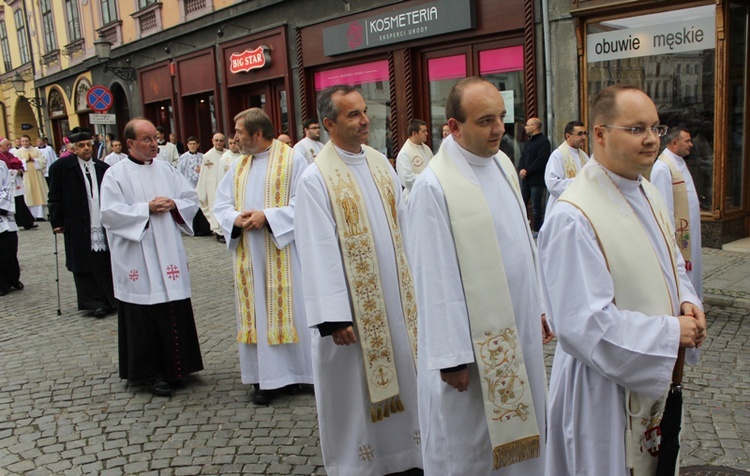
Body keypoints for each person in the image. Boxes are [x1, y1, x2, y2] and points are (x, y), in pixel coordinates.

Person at [538, 84, 706, 476]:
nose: (650, 139)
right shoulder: (574, 215)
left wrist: (687, 300)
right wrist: (669, 333)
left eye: (655, 128)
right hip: (601, 394)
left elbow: (669, 265)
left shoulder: (646, 190)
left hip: (648, 383)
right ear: (599, 133)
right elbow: (582, 325)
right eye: (635, 129)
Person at [406, 77, 549, 475]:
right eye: (485, 120)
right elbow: (433, 279)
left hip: (516, 323)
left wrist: (537, 303)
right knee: (471, 444)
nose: (499, 128)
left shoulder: (502, 162)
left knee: (524, 429)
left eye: (501, 117)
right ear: (453, 127)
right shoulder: (432, 187)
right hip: (470, 348)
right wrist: (452, 357)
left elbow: (523, 239)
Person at [295, 85, 422, 475]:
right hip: (352, 313)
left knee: (407, 375)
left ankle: (412, 457)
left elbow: (405, 223)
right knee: (355, 394)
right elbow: (316, 248)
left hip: (398, 302)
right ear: (329, 123)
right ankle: (360, 465)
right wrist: (333, 316)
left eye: (365, 111)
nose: (365, 120)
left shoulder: (381, 162)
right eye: (353, 115)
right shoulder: (315, 179)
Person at [213, 108, 313, 405]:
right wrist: (235, 219)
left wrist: (268, 217)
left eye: (239, 132)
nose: (235, 138)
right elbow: (222, 202)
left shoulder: (293, 158)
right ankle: (263, 379)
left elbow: (305, 201)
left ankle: (294, 374)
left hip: (282, 249)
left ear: (258, 133)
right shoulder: (239, 164)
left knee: (289, 310)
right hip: (249, 253)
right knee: (257, 312)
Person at [100, 117, 204, 397]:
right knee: (144, 313)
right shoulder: (115, 174)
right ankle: (150, 373)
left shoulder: (167, 169)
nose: (153, 144)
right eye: (146, 139)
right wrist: (145, 209)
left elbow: (190, 199)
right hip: (138, 253)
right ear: (130, 143)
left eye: (155, 138)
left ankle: (179, 367)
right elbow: (109, 214)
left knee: (173, 305)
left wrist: (174, 204)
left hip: (168, 249)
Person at [48, 127, 117, 318]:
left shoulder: (103, 168)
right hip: (77, 221)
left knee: (104, 260)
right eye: (81, 146)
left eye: (89, 144)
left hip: (101, 220)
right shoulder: (60, 168)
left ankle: (110, 299)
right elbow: (54, 196)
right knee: (84, 262)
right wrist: (56, 220)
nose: (87, 148)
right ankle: (93, 302)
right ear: (72, 148)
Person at [649, 126, 703, 301]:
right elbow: (663, 206)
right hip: (678, 233)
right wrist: (671, 236)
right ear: (674, 142)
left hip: (690, 228)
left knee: (693, 267)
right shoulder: (663, 167)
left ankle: (692, 299)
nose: (691, 144)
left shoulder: (679, 161)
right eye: (687, 141)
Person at [543, 120, 589, 214]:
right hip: (562, 206)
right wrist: (578, 183)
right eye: (579, 134)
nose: (583, 137)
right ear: (568, 136)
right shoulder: (558, 155)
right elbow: (552, 183)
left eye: (585, 133)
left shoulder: (584, 157)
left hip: (580, 206)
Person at [517, 117, 550, 237]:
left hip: (537, 180)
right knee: (521, 203)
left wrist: (527, 170)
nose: (525, 127)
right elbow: (522, 157)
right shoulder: (528, 142)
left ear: (535, 126)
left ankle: (537, 230)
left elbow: (541, 160)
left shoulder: (543, 142)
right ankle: (523, 228)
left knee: (536, 206)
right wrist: (521, 169)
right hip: (526, 179)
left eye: (528, 125)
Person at [195, 133, 228, 242]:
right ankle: (218, 232)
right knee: (214, 206)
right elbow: (204, 175)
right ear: (212, 141)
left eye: (221, 140)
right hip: (213, 186)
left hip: (226, 187)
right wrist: (202, 190)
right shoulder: (208, 156)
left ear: (224, 142)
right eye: (216, 140)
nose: (219, 143)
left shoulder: (228, 154)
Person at [0, 138, 36, 230]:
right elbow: (3, 171)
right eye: (6, 145)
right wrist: (15, 172)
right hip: (8, 184)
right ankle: (22, 222)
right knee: (16, 203)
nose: (9, 147)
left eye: (9, 144)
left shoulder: (10, 154)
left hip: (16, 181)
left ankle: (27, 221)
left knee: (20, 201)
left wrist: (19, 169)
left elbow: (19, 164)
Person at [0, 158, 22, 296]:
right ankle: (2, 283)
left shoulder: (1, 165)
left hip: (3, 212)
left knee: (9, 248)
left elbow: (7, 187)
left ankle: (13, 278)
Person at [396, 119, 433, 202]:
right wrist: (429, 178)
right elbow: (407, 180)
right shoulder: (404, 153)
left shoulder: (427, 149)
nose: (426, 133)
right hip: (414, 196)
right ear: (414, 133)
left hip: (429, 193)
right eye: (423, 131)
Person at [16, 135, 48, 220]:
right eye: (23, 141)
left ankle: (40, 215)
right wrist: (25, 161)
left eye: (26, 141)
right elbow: (16, 163)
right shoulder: (18, 152)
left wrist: (35, 160)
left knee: (38, 193)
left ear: (30, 141)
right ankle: (31, 216)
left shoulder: (36, 150)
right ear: (21, 142)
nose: (25, 143)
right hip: (26, 176)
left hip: (37, 175)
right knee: (28, 194)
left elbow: (44, 161)